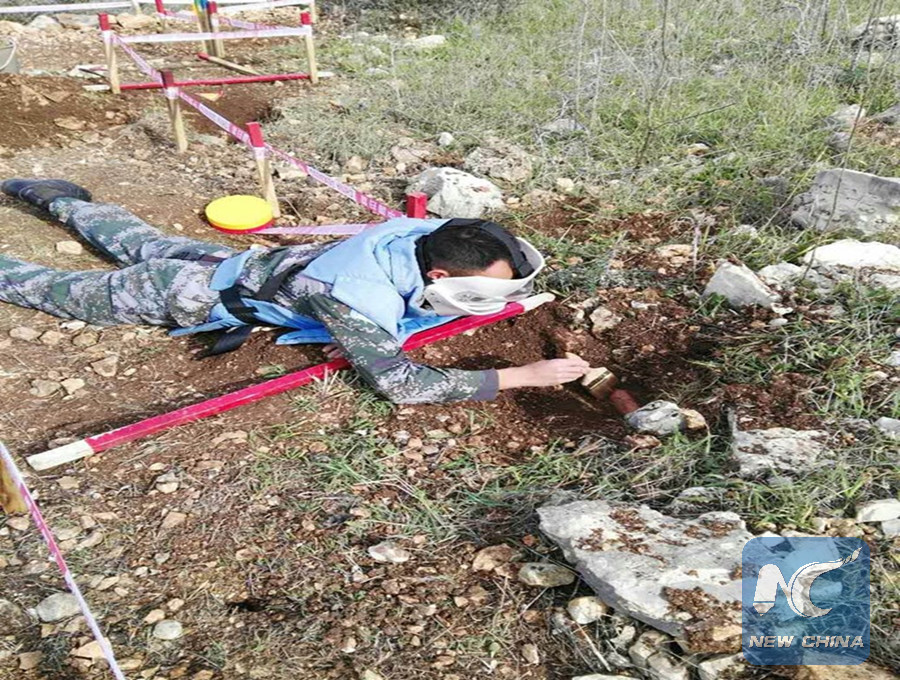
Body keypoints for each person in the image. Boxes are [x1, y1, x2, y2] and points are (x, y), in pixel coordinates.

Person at [0, 179, 590, 404]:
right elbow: (401, 384)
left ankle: (60, 198)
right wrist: (520, 376)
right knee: (50, 289)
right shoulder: (357, 295)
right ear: (440, 277)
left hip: (232, 262)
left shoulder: (416, 236)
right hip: (182, 292)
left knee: (142, 239)